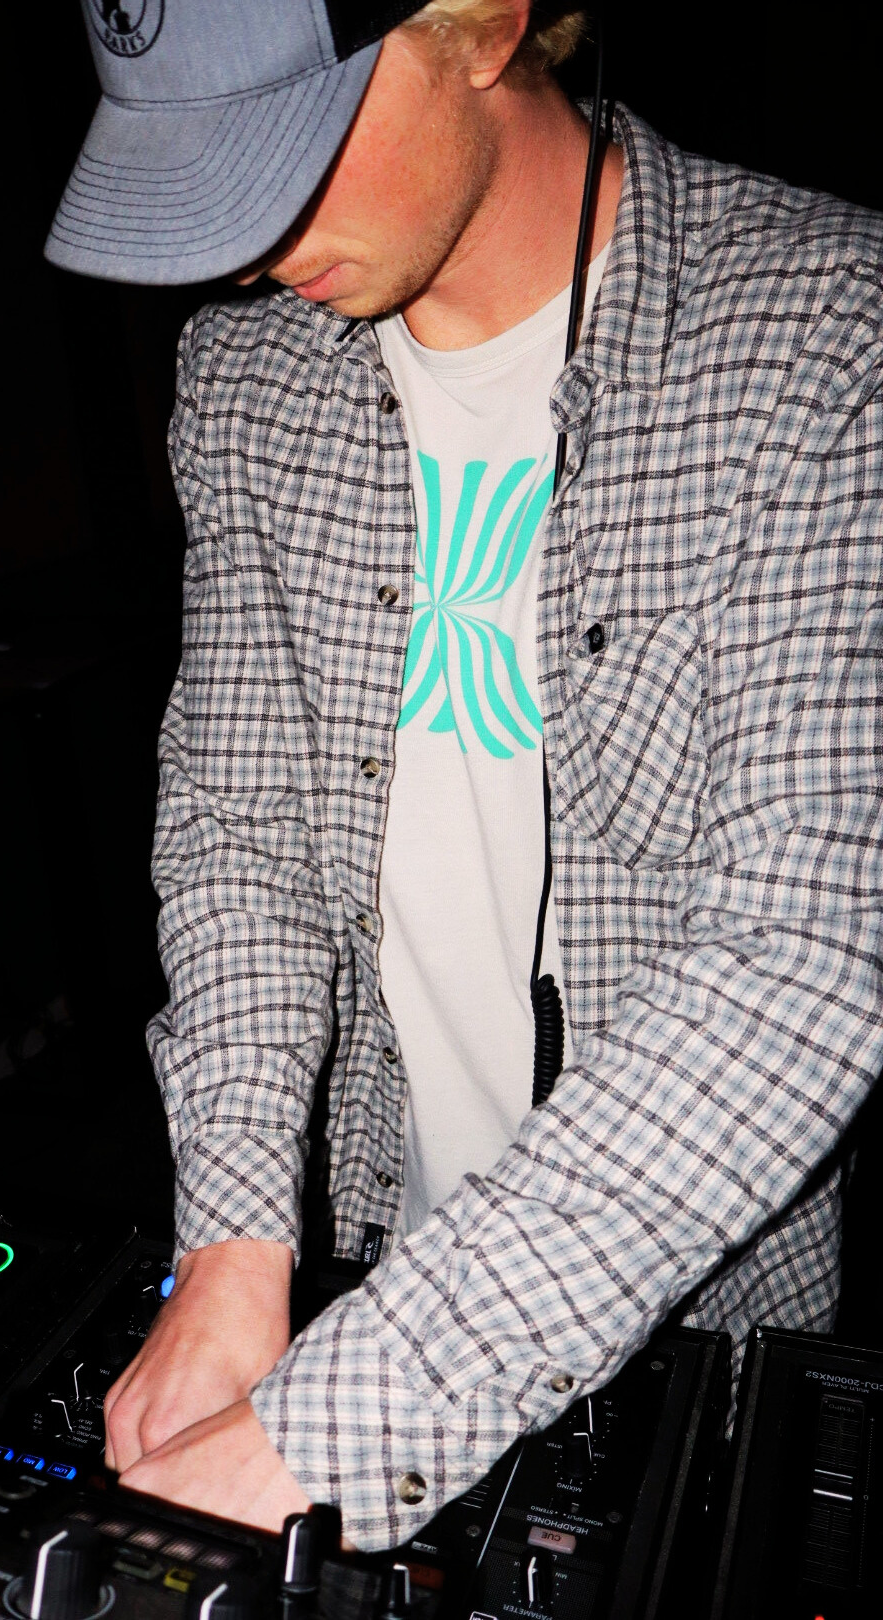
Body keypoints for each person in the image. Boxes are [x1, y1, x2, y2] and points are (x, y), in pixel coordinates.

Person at [45, 0, 883, 1552]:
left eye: (285, 143)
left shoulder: (833, 330)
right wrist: (236, 1248)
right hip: (372, 1247)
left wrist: (329, 1422)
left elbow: (805, 957)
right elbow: (241, 831)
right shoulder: (240, 383)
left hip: (697, 1318)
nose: (240, 242)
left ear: (487, 17)